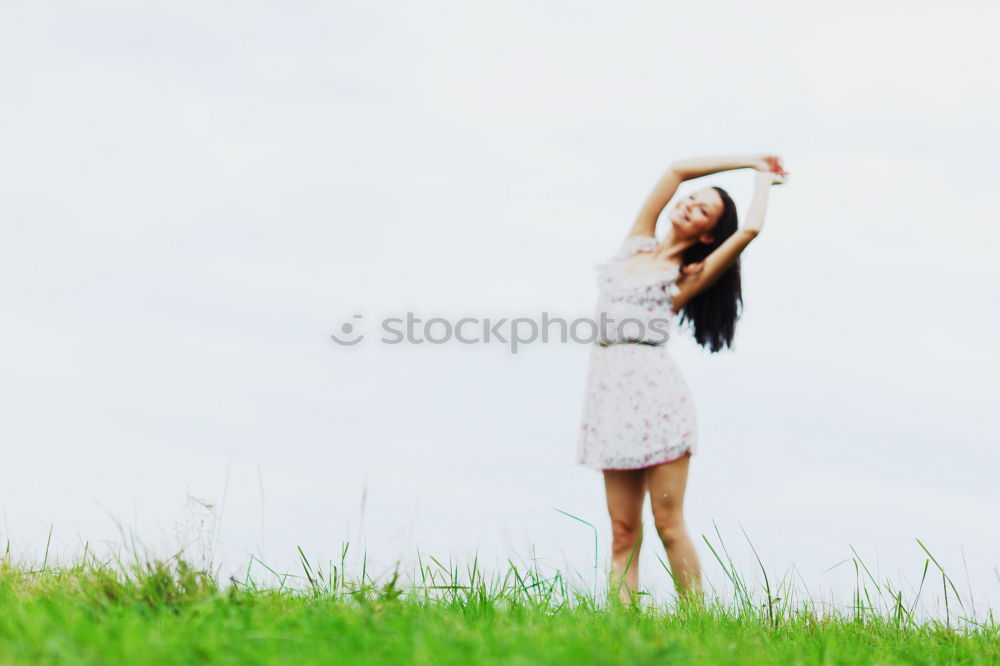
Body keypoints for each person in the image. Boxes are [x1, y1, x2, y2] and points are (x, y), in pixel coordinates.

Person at [576, 153, 788, 605]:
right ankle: (619, 626)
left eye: (703, 209)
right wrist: (749, 157)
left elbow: (749, 230)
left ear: (708, 233)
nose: (689, 204)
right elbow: (675, 171)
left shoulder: (685, 276)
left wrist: (763, 180)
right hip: (609, 398)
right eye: (691, 199)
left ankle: (698, 619)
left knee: (668, 523)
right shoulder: (635, 245)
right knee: (621, 528)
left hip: (657, 402)